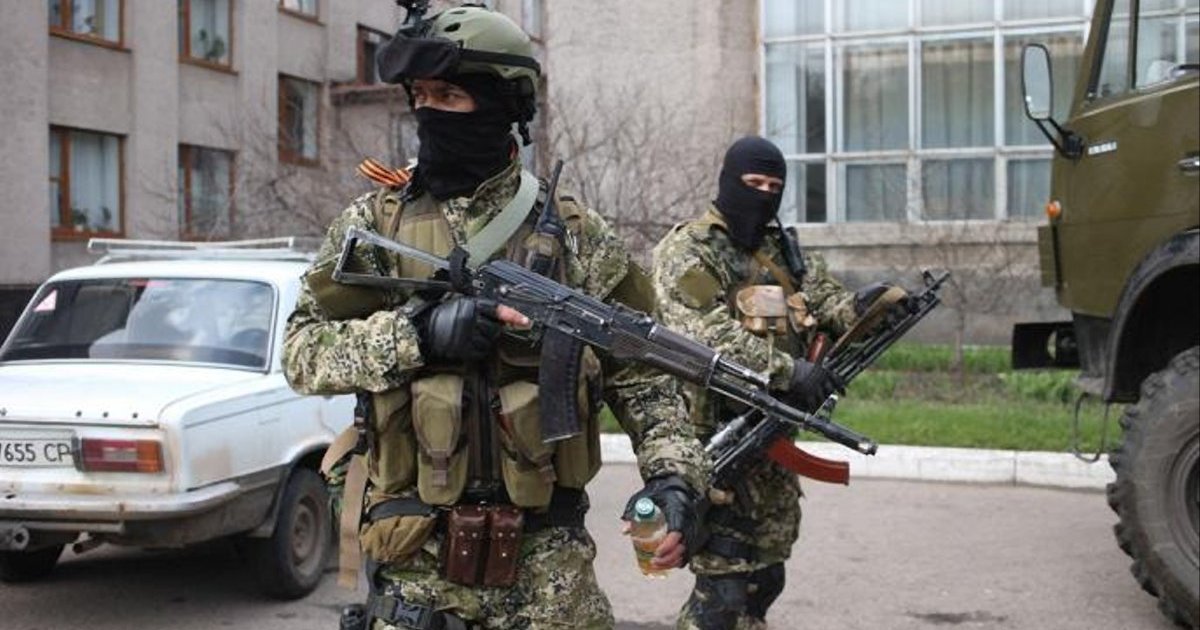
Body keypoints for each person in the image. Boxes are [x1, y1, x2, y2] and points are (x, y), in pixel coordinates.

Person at [282, 6, 707, 629]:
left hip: (549, 568)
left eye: (450, 96)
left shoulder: (577, 235)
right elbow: (301, 353)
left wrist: (675, 479)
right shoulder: (374, 225)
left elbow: (643, 377)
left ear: (504, 104)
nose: (430, 112)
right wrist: (416, 335)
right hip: (415, 559)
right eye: (422, 96)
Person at [652, 136, 903, 630]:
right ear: (729, 181)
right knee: (721, 590)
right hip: (715, 438)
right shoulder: (688, 250)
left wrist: (867, 308)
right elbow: (702, 333)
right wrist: (789, 371)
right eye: (753, 183)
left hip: (772, 438)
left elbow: (823, 304)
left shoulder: (780, 250)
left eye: (774, 187)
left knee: (765, 579)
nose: (763, 195)